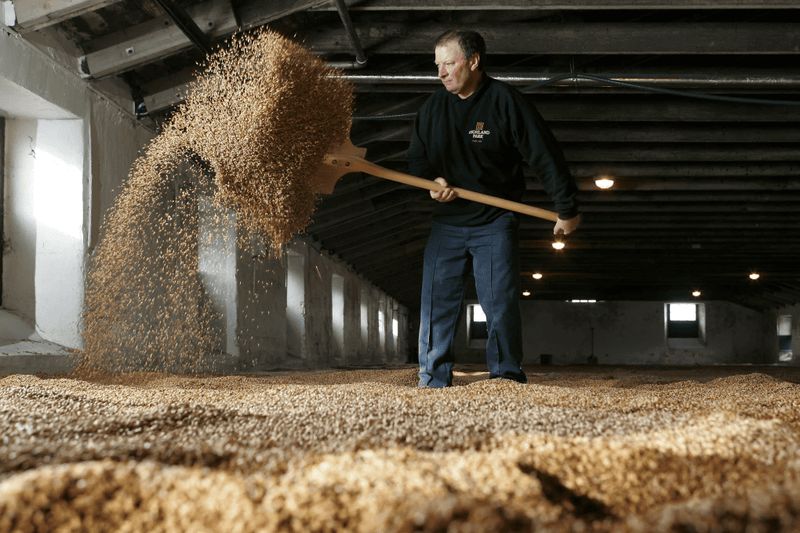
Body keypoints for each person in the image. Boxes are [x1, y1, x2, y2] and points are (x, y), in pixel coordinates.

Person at [408, 29, 581, 388]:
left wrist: (566, 208)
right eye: (437, 65)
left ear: (473, 61)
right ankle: (433, 377)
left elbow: (544, 154)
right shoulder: (431, 109)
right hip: (447, 224)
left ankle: (505, 375)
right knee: (435, 305)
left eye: (449, 63)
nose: (441, 72)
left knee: (499, 303)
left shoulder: (505, 102)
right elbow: (417, 161)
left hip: (494, 221)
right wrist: (432, 183)